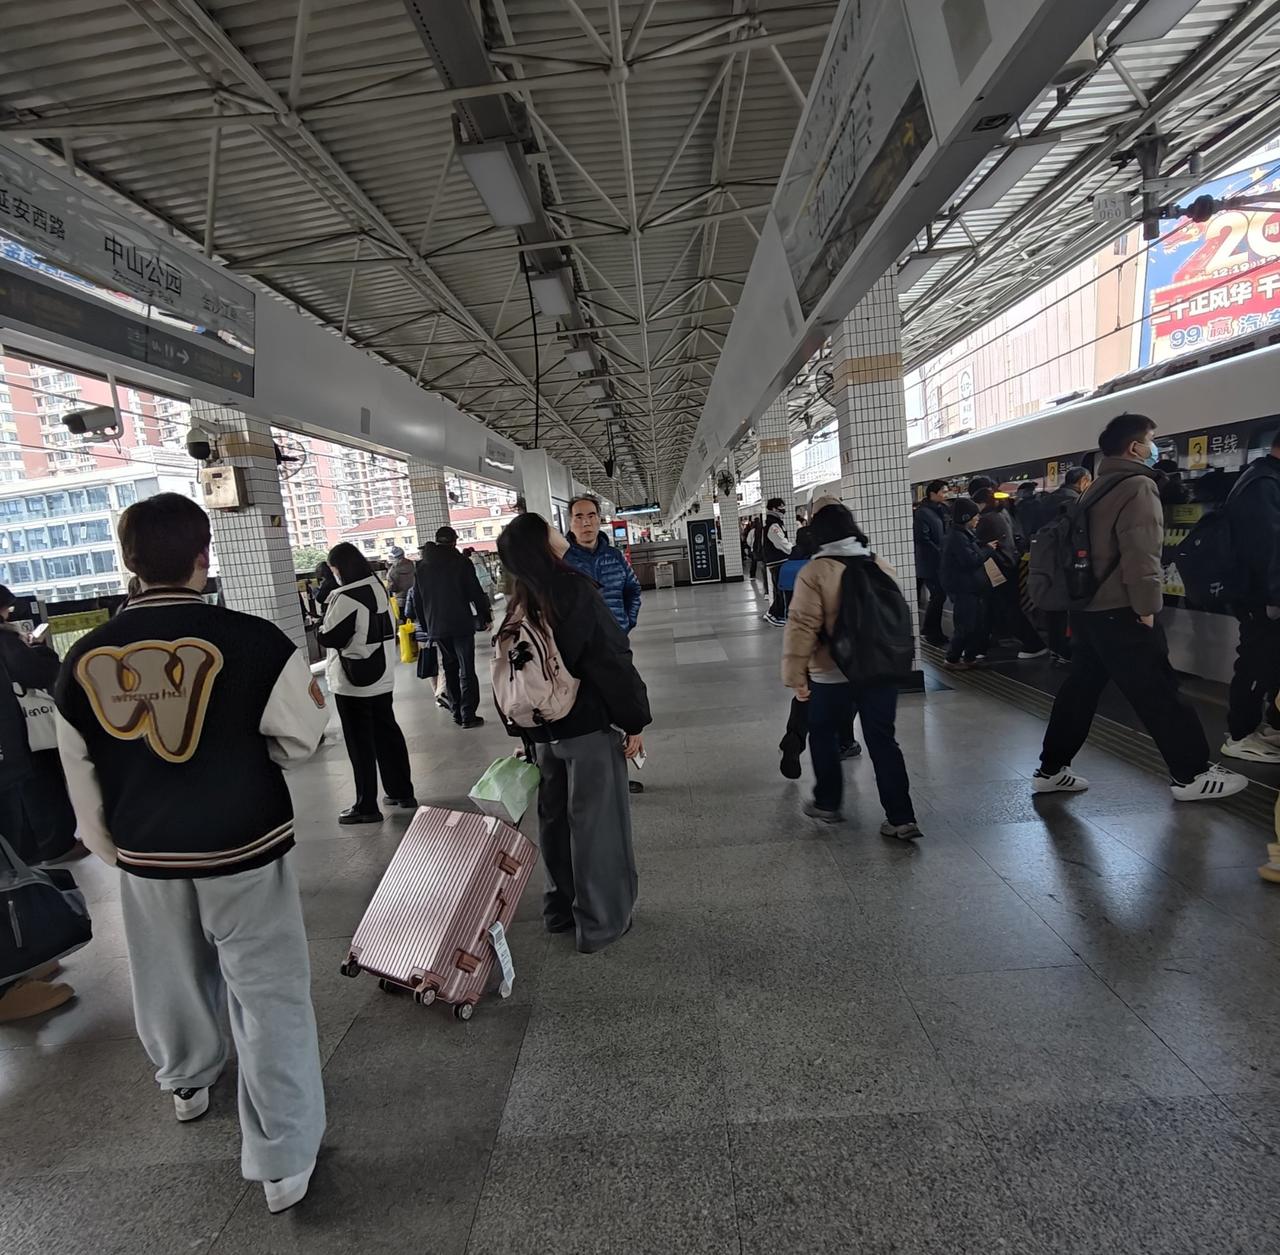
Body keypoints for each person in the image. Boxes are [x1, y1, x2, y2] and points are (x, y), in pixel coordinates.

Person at [53, 493, 329, 1214]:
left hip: (147, 851)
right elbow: (302, 738)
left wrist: (120, 849)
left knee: (168, 979)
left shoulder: (81, 658)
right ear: (204, 556)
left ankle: (187, 1079)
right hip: (244, 845)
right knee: (268, 995)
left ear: (129, 563)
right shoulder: (255, 639)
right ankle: (282, 1156)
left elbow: (81, 774)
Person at [1035, 413, 1247, 802]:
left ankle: (1051, 769)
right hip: (1121, 608)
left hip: (1088, 608)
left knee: (1080, 690)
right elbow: (1141, 553)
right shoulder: (1137, 486)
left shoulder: (1095, 487)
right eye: (1152, 440)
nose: (1155, 448)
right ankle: (1191, 775)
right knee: (1159, 690)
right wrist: (1147, 607)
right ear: (1135, 447)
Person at [495, 513, 650, 953]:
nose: (558, 531)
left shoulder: (519, 601)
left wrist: (525, 734)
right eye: (549, 527)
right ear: (542, 544)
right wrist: (634, 719)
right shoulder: (573, 590)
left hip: (542, 734)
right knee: (597, 825)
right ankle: (600, 923)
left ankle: (559, 911)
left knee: (556, 822)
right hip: (586, 730)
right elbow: (611, 659)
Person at [780, 500, 920, 835]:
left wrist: (796, 676)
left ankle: (828, 802)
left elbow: (802, 626)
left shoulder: (815, 571)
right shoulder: (878, 564)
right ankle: (902, 818)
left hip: (832, 673)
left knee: (823, 732)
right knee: (883, 739)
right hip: (879, 670)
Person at [320, 542, 417, 822]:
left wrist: (321, 627)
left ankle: (366, 806)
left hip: (354, 680)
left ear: (339, 569)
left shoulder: (346, 597)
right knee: (387, 733)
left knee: (359, 743)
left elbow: (330, 637)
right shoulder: (377, 588)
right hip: (382, 674)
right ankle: (401, 792)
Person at [563, 494, 645, 794]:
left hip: (615, 645)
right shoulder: (563, 561)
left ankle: (619, 774)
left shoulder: (614, 556)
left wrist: (626, 623)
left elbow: (633, 590)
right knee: (591, 712)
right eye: (579, 517)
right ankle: (596, 775)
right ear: (570, 522)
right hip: (580, 652)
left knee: (620, 704)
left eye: (591, 516)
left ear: (600, 519)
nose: (586, 522)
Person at [0, 587, 83, 865]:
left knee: (25, 792)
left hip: (8, 737)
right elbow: (36, 673)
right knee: (44, 785)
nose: (9, 613)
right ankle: (57, 846)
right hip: (23, 731)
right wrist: (41, 651)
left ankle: (36, 850)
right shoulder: (6, 639)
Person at [776, 518, 860, 777]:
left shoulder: (793, 567)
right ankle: (844, 741)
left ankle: (794, 738)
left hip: (810, 644)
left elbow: (795, 618)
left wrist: (795, 671)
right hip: (843, 647)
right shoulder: (837, 568)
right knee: (848, 696)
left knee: (805, 695)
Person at [1222, 430, 1280, 763]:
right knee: (1256, 662)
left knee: (1269, 662)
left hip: (1263, 593)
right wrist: (1275, 597)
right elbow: (1268, 549)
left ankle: (1268, 725)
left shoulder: (1264, 478)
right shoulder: (1263, 484)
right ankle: (1240, 734)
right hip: (1260, 597)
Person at [412, 526, 492, 729]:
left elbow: (417, 600)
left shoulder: (422, 566)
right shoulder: (461, 562)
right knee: (466, 668)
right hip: (461, 623)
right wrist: (485, 615)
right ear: (455, 541)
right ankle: (468, 715)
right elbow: (475, 591)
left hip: (437, 625)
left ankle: (456, 711)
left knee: (450, 667)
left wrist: (426, 625)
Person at [972, 486, 1047, 659]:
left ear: (982, 503)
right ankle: (981, 646)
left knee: (1006, 607)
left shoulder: (987, 520)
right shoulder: (1003, 513)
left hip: (997, 568)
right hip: (1008, 565)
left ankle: (1034, 643)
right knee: (995, 607)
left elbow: (978, 545)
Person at [1039, 467, 1093, 661]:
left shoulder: (1045, 501)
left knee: (1052, 606)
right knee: (1068, 609)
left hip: (1044, 560)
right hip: (1068, 561)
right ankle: (1066, 650)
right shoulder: (1077, 503)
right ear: (1083, 481)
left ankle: (1055, 647)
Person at [941, 498, 1000, 668]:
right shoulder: (957, 537)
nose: (978, 518)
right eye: (975, 516)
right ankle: (952, 659)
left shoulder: (963, 534)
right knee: (965, 626)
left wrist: (983, 546)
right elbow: (970, 561)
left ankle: (969, 658)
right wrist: (988, 550)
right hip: (964, 589)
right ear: (966, 517)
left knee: (975, 625)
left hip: (971, 588)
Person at [914, 480, 949, 647]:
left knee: (939, 596)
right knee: (938, 595)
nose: (946, 494)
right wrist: (940, 552)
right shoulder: (923, 513)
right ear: (932, 493)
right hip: (929, 562)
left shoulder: (941, 510)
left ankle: (932, 630)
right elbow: (923, 538)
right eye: (943, 491)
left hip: (939, 561)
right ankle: (930, 631)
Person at [761, 497, 794, 625]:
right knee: (782, 590)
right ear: (774, 509)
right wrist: (793, 550)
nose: (783, 510)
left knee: (780, 590)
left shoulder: (775, 523)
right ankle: (777, 615)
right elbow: (780, 542)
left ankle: (774, 614)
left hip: (777, 561)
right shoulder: (773, 525)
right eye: (781, 507)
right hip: (778, 561)